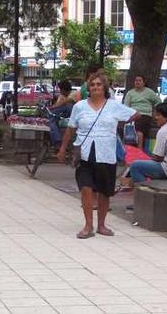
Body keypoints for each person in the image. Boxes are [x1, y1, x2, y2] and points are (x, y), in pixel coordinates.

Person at [57, 71, 139, 239]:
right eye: (92, 85)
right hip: (85, 152)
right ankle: (88, 225)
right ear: (88, 87)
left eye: (98, 85)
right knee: (86, 188)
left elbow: (135, 114)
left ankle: (101, 225)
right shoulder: (79, 106)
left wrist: (118, 124)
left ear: (104, 87)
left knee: (104, 190)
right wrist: (63, 148)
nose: (95, 87)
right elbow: (71, 128)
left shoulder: (113, 106)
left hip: (106, 152)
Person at [123, 75, 161, 149]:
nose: (137, 82)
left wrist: (154, 111)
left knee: (138, 128)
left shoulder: (149, 92)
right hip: (132, 115)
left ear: (144, 82)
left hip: (145, 115)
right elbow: (126, 106)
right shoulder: (130, 93)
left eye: (139, 80)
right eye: (136, 80)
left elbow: (158, 102)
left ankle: (139, 150)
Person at [48, 80, 74, 147]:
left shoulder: (72, 95)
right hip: (65, 113)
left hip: (70, 113)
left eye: (60, 89)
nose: (60, 91)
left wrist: (51, 108)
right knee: (53, 121)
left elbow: (62, 104)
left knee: (51, 120)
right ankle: (56, 141)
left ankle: (58, 141)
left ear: (63, 89)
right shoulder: (64, 95)